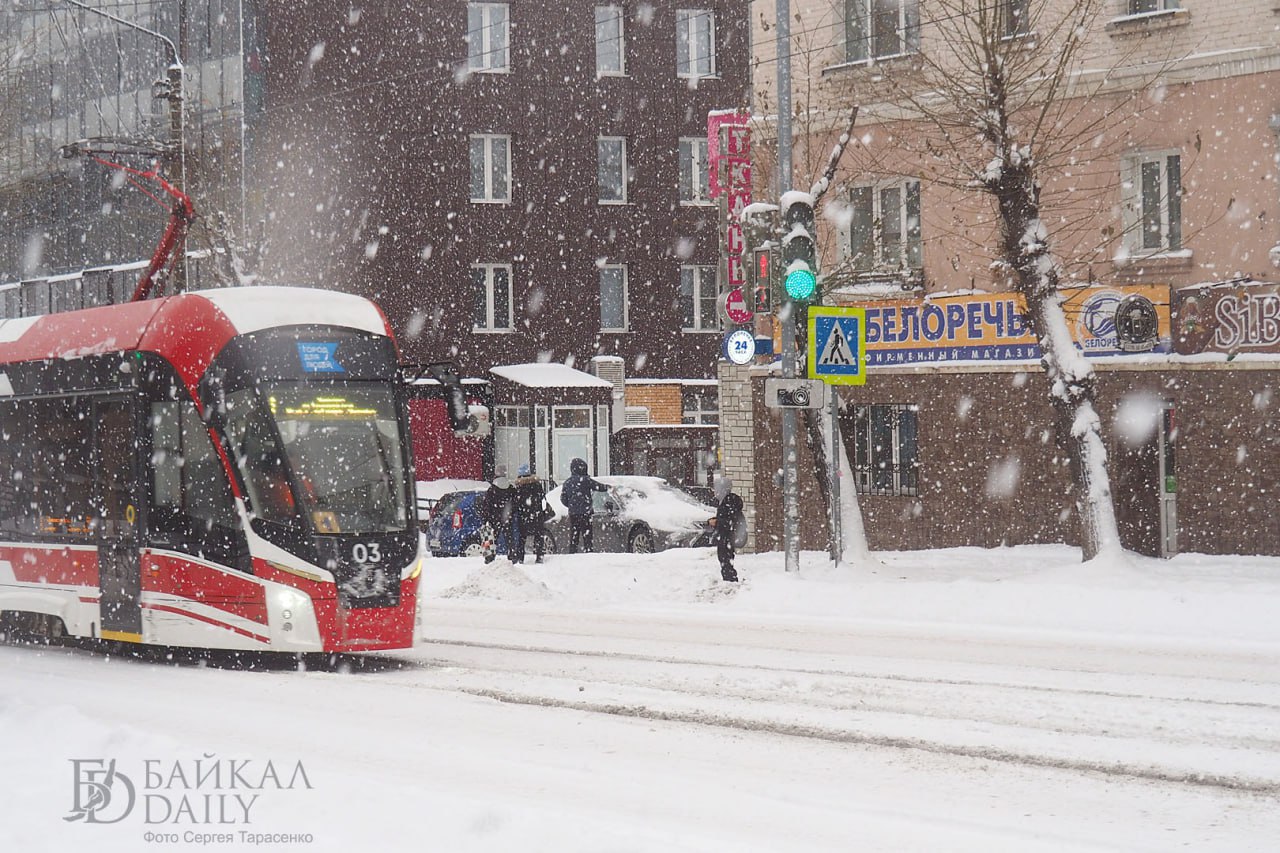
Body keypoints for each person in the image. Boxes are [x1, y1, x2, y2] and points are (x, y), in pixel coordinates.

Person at [559, 457, 607, 553]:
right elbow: (600, 487)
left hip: (573, 513)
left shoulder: (567, 482)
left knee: (574, 535)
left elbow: (563, 498)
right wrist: (609, 487)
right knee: (587, 535)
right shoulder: (586, 480)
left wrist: (571, 505)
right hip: (586, 512)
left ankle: (572, 553)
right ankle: (588, 552)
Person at [511, 464, 551, 563]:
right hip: (537, 515)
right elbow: (542, 497)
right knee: (538, 535)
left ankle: (520, 558)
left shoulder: (519, 487)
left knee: (522, 537)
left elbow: (515, 504)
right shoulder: (537, 485)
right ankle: (539, 556)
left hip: (524, 516)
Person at [711, 476, 744, 583]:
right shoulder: (726, 502)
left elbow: (729, 521)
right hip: (726, 536)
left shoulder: (728, 502)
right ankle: (729, 579)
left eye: (716, 488)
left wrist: (716, 522)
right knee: (725, 559)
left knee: (726, 559)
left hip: (727, 536)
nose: (714, 491)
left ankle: (730, 580)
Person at [478, 476, 516, 564]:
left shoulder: (492, 490)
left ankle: (490, 556)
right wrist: (510, 513)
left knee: (492, 538)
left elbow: (486, 506)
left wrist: (485, 519)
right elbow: (515, 503)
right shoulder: (511, 490)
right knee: (509, 537)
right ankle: (512, 555)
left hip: (494, 519)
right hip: (507, 518)